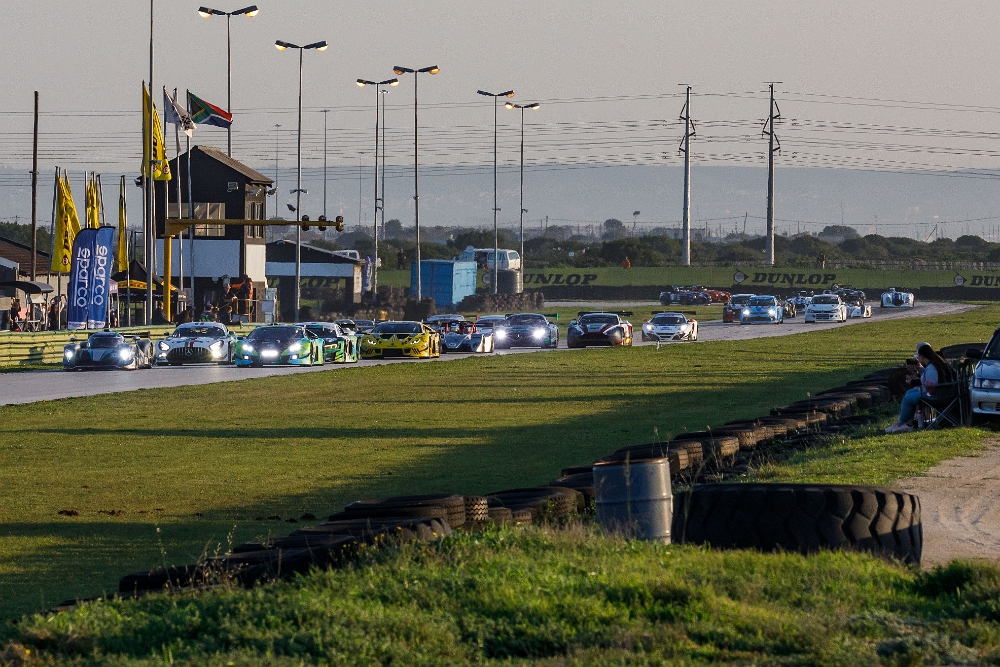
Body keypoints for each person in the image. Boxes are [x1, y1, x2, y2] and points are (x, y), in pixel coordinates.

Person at [886, 343, 953, 433]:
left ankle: (901, 423)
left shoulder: (931, 368)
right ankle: (908, 423)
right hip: (943, 393)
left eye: (918, 357)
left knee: (908, 398)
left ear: (921, 357)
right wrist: (919, 370)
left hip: (936, 396)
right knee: (910, 392)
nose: (918, 360)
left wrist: (916, 384)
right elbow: (928, 379)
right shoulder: (936, 364)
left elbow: (931, 384)